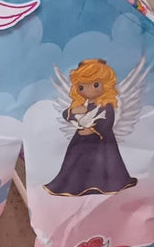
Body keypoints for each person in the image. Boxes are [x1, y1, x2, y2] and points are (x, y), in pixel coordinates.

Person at [45, 59, 138, 197]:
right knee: (75, 162)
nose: (88, 90)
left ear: (106, 85)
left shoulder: (106, 106)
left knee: (103, 163)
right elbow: (66, 115)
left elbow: (107, 122)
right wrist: (73, 111)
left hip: (102, 142)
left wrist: (92, 130)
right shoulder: (84, 105)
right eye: (81, 87)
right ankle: (76, 184)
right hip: (81, 141)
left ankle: (103, 184)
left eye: (95, 85)